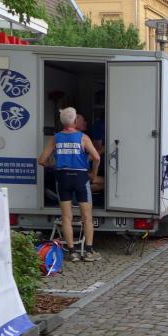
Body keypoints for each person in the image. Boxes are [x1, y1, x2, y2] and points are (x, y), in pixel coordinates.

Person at [38, 107, 101, 262]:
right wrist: (93, 174)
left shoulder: (56, 138)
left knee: (66, 217)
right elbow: (97, 157)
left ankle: (72, 252)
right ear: (74, 121)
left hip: (63, 178)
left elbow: (41, 160)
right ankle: (88, 251)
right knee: (87, 216)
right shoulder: (83, 137)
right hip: (80, 178)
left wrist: (53, 166)